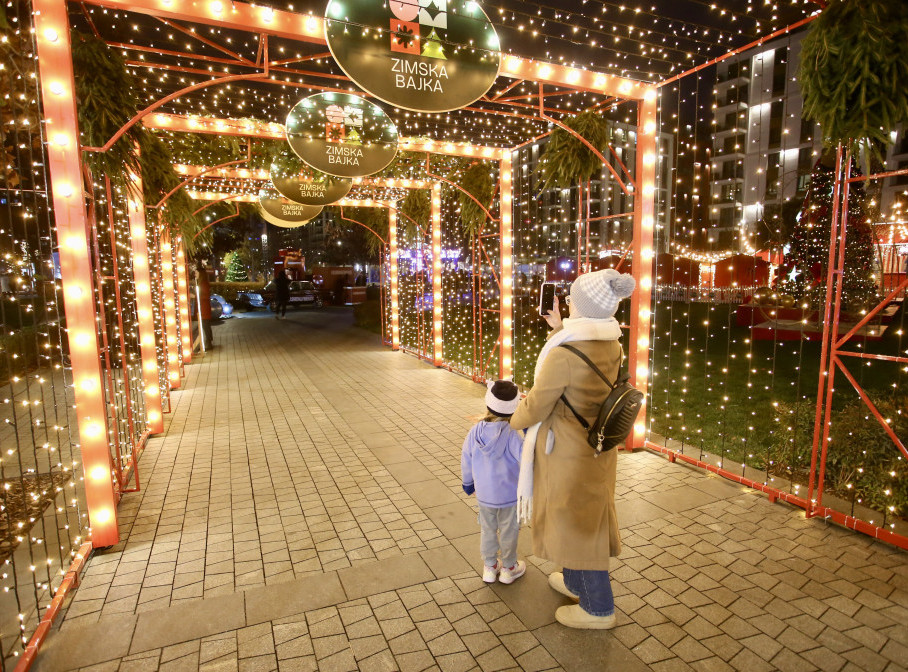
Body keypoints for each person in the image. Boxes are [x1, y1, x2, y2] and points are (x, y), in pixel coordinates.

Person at [509, 269, 636, 630]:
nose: (565, 305)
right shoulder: (610, 341)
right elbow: (582, 360)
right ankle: (575, 583)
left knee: (579, 525)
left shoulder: (563, 355)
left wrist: (511, 419)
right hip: (595, 447)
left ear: (582, 307)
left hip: (567, 452)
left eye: (570, 301)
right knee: (580, 517)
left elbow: (535, 405)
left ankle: (599, 608)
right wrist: (559, 326)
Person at [461, 380, 526, 585]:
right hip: (509, 496)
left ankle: (489, 567)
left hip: (484, 495)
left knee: (487, 530)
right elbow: (526, 459)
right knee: (509, 531)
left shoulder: (475, 432)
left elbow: (466, 457)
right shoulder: (512, 435)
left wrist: (468, 483)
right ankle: (508, 568)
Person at [196, 261, 214, 348]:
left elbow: (206, 296)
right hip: (203, 307)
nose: (195, 274)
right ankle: (208, 341)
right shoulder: (201, 283)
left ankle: (208, 342)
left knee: (205, 325)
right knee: (205, 325)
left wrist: (196, 296)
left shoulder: (203, 284)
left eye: (196, 273)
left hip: (204, 307)